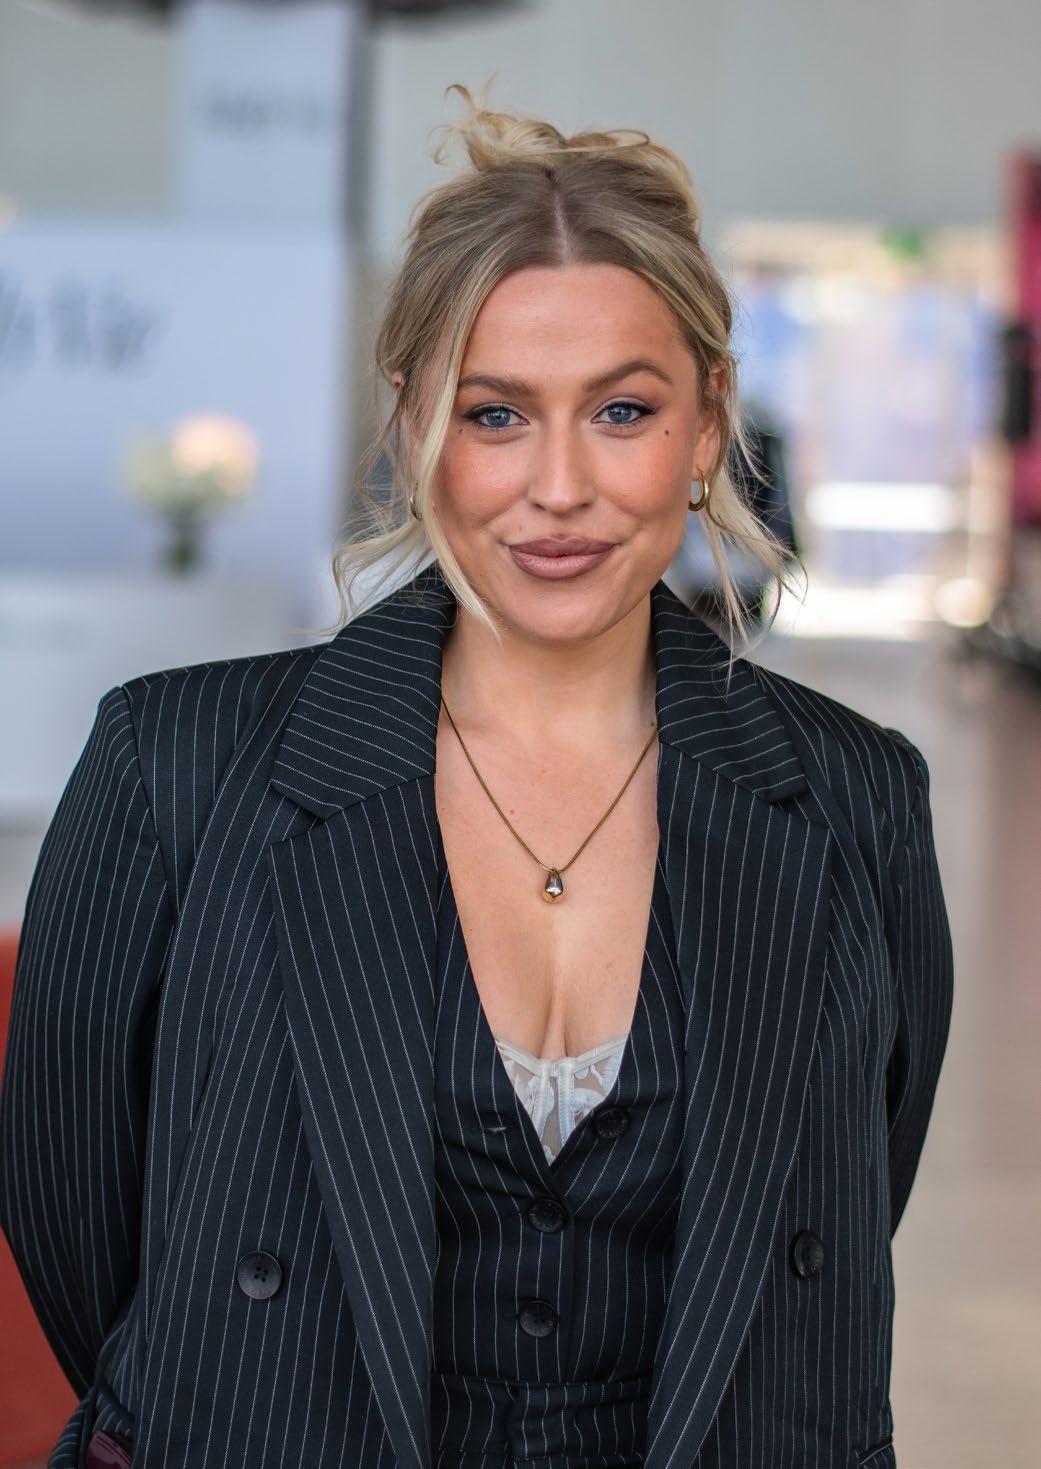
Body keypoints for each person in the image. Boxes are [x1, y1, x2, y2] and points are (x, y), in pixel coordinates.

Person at [0, 83, 954, 1469]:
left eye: (621, 410)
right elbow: (74, 1210)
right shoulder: (177, 763)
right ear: (413, 428)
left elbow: (847, 1198)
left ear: (705, 427)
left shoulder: (854, 794)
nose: (558, 486)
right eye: (497, 414)